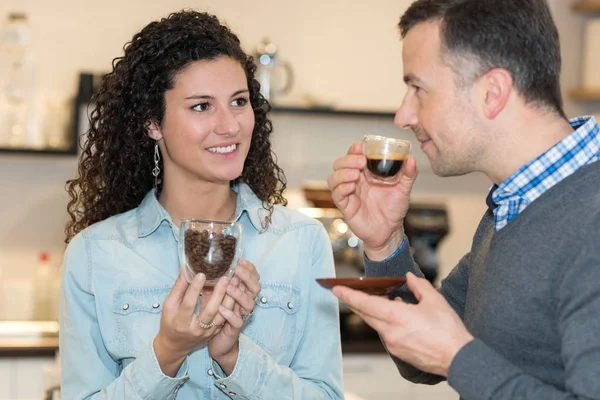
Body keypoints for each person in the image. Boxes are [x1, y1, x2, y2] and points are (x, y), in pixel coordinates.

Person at [60, 10, 343, 399]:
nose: (230, 126)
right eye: (201, 106)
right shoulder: (94, 254)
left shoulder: (301, 241)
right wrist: (168, 352)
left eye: (239, 101)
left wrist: (235, 358)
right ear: (152, 124)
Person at [327, 0, 600, 399]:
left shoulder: (591, 221)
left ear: (492, 93)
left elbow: (451, 353)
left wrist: (457, 358)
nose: (403, 115)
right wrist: (384, 243)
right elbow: (422, 354)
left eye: (418, 88)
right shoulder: (512, 207)